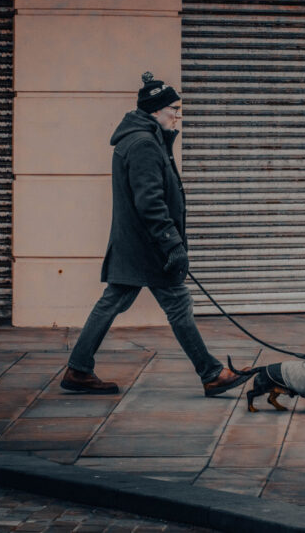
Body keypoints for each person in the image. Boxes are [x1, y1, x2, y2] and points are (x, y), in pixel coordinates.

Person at [60, 71, 251, 396]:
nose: (178, 115)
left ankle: (78, 368)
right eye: (174, 109)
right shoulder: (144, 144)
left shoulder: (142, 139)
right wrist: (172, 244)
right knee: (177, 303)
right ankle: (211, 373)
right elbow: (150, 202)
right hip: (149, 247)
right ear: (155, 110)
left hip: (136, 244)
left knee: (113, 301)